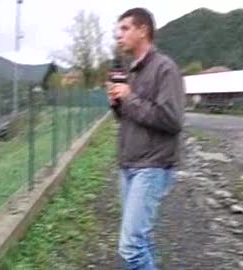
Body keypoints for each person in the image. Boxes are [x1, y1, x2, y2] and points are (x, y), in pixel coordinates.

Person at [106, 7, 186, 270]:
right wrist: (118, 104)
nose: (119, 35)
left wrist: (130, 97)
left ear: (143, 31)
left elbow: (172, 120)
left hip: (151, 167)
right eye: (118, 30)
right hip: (129, 165)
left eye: (125, 28)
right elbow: (132, 119)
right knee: (142, 238)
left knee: (131, 246)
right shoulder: (133, 71)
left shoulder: (165, 68)